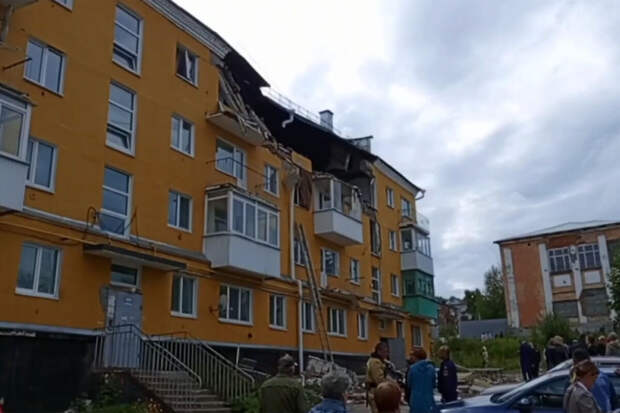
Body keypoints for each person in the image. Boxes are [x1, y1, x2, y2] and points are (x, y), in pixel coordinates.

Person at [407, 347, 437, 413]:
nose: (410, 357)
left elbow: (409, 385)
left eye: (412, 355)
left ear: (416, 357)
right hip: (429, 401)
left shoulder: (412, 368)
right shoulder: (431, 368)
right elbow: (434, 384)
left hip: (416, 401)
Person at [366, 342, 389, 413]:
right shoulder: (375, 362)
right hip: (375, 391)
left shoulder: (380, 361)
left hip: (378, 390)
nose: (386, 354)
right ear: (378, 351)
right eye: (384, 352)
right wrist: (390, 384)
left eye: (387, 352)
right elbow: (378, 379)